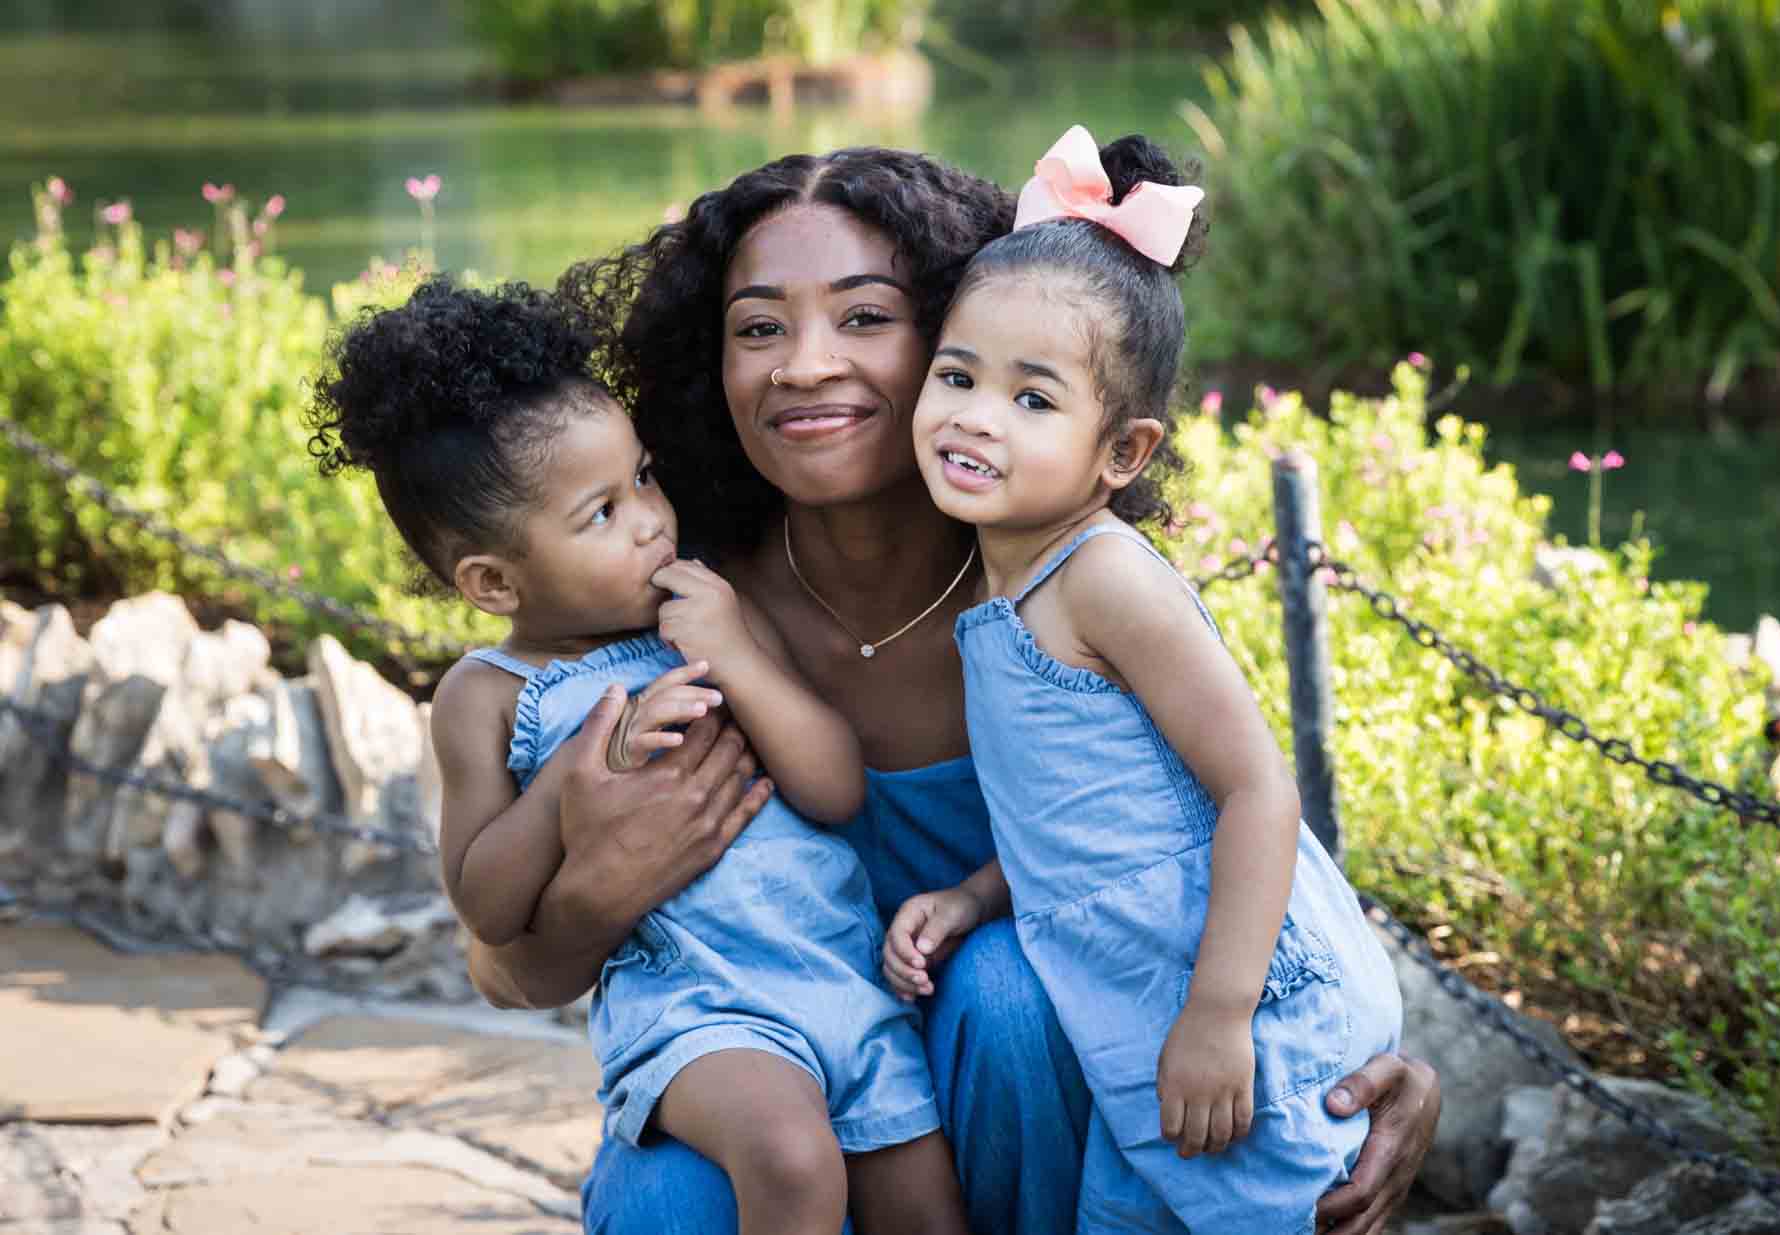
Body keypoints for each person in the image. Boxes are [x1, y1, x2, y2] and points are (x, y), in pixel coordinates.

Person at [465, 144, 1444, 1235]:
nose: (803, 364)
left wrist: (1369, 1059)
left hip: (1033, 1097)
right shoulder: (659, 595)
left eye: (866, 318)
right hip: (782, 1088)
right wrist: (604, 877)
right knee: (675, 1196)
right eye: (757, 328)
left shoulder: (1062, 582)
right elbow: (503, 968)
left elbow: (1219, 813)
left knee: (1006, 994)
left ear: (955, 330)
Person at [306, 277, 970, 1235]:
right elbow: (489, 908)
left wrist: (736, 653)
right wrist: (570, 788)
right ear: (493, 581)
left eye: (646, 477)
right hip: (696, 1009)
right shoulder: (487, 695)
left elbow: (832, 787)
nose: (653, 518)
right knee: (790, 1162)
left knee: (925, 1209)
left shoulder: (702, 618)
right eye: (602, 513)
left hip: (841, 977)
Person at [884, 125, 1405, 1233]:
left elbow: (1259, 786)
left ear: (1121, 454)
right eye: (957, 375)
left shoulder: (1105, 576)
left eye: (1034, 399)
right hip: (1134, 1004)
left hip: (1239, 996)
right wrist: (974, 895)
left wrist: (1221, 1012)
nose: (977, 414)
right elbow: (1081, 819)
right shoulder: (995, 586)